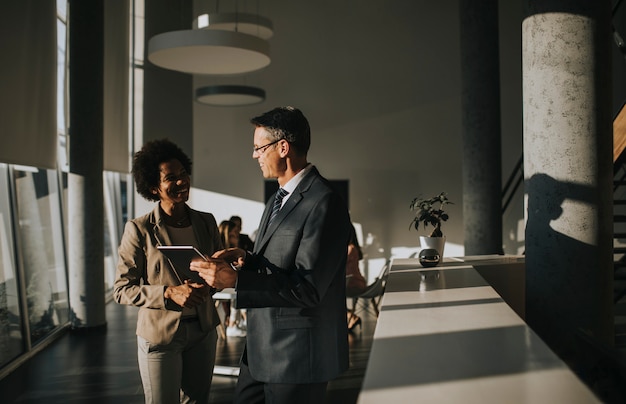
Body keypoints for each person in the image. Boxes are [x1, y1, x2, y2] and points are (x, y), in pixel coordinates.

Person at [191, 106, 352, 404]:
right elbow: (282, 263)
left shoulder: (325, 202)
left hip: (297, 357)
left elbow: (309, 288)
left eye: (258, 148)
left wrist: (237, 280)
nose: (254, 156)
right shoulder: (276, 199)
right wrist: (246, 259)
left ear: (283, 147)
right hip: (260, 351)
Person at [113, 138, 221, 404]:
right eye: (171, 178)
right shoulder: (139, 229)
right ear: (154, 187)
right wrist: (169, 293)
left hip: (203, 330)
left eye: (183, 173)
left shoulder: (206, 222)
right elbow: (121, 290)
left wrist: (215, 279)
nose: (182, 182)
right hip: (160, 336)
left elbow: (218, 272)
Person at [218, 220, 247, 338]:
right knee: (241, 287)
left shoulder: (236, 252)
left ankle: (239, 321)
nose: (236, 238)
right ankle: (233, 324)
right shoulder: (221, 253)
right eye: (233, 235)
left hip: (233, 286)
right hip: (223, 286)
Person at [345, 224, 366, 332]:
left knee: (328, 296)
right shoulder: (353, 247)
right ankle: (350, 316)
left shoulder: (349, 249)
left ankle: (351, 316)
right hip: (355, 282)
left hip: (353, 284)